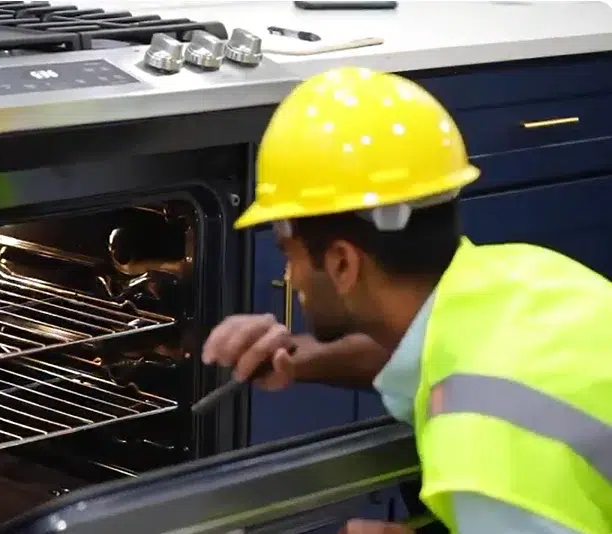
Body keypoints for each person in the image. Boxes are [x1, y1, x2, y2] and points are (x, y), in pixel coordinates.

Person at [202, 67, 612, 534]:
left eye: (287, 254)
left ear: (341, 263)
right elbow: (432, 361)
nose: (289, 277)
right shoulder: (525, 274)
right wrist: (300, 361)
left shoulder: (480, 452)